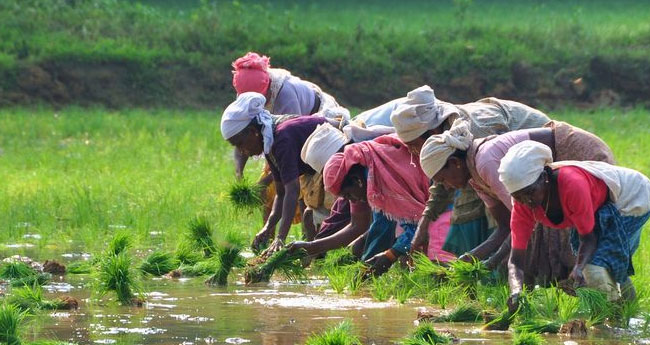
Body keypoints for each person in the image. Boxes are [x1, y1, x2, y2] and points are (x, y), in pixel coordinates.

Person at [419, 119, 615, 284]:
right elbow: (506, 226)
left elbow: (527, 218)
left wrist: (492, 261)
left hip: (576, 153)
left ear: (455, 163)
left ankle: (611, 299)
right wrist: (472, 258)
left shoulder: (486, 163)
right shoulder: (475, 178)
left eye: (443, 179)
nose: (447, 186)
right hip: (548, 177)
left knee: (586, 238)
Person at [390, 85, 551, 260]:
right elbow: (441, 180)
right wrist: (424, 224)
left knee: (521, 210)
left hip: (537, 148)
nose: (414, 152)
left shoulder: (475, 140)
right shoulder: (451, 151)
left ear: (433, 132)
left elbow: (520, 213)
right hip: (499, 163)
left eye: (414, 145)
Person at [498, 141, 650, 305]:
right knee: (599, 267)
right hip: (599, 208)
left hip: (630, 198)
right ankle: (618, 313)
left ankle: (614, 318)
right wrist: (516, 292)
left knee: (597, 266)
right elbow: (516, 261)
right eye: (518, 196)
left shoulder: (572, 184)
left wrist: (578, 268)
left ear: (543, 178)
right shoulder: (523, 204)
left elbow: (588, 239)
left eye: (530, 192)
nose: (526, 200)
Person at [321, 134, 455, 275]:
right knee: (409, 255)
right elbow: (387, 227)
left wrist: (389, 256)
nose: (353, 201)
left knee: (438, 264)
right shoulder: (374, 175)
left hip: (447, 201)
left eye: (348, 195)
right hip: (437, 205)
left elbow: (417, 227)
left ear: (356, 180)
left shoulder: (385, 177)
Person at [220, 92, 330, 253]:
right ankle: (317, 258)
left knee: (321, 217)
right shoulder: (269, 142)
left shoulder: (282, 138)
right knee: (311, 218)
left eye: (241, 144)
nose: (242, 151)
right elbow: (281, 192)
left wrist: (280, 238)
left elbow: (292, 190)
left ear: (252, 131)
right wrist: (267, 228)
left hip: (338, 159)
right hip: (319, 169)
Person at [231, 52, 346, 178]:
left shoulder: (285, 96)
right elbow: (242, 136)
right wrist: (239, 172)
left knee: (310, 173)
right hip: (289, 131)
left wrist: (266, 182)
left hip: (317, 122)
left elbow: (291, 151)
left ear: (268, 85)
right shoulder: (248, 99)